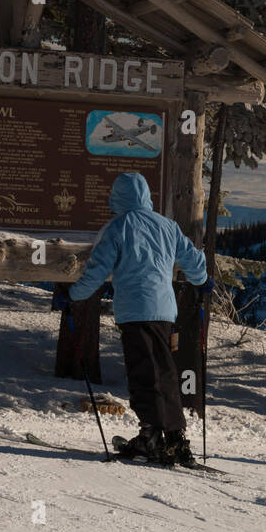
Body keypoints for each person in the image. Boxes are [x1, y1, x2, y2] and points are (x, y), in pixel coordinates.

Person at [69, 172, 210, 466]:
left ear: (118, 197)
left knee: (143, 372)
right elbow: (194, 261)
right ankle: (174, 436)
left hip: (134, 311)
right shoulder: (167, 226)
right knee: (165, 372)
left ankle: (151, 435)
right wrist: (201, 280)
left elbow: (96, 271)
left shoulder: (117, 227)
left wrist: (73, 295)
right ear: (145, 196)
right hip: (163, 311)